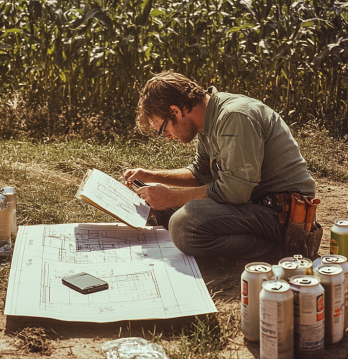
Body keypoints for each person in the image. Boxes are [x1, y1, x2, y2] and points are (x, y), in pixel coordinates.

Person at [124, 71, 316, 260]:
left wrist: (171, 196)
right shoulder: (208, 120)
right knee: (161, 207)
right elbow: (200, 173)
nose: (166, 137)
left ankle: (285, 249)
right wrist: (151, 176)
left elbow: (234, 191)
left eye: (164, 128)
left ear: (176, 110)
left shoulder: (235, 116)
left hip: (283, 215)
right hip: (254, 204)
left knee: (183, 225)